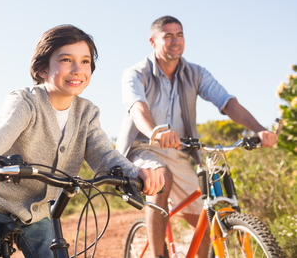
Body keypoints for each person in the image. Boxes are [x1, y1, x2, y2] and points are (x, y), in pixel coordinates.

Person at [0, 24, 165, 258]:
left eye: (85, 61)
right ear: (43, 69)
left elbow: (104, 154)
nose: (78, 69)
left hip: (37, 213)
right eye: (66, 60)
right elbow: (4, 128)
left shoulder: (87, 113)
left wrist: (135, 173)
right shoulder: (25, 101)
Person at [115, 15, 278, 258]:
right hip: (142, 148)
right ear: (153, 41)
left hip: (179, 150)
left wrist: (258, 129)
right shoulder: (136, 73)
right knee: (161, 177)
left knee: (202, 215)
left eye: (179, 35)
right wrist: (155, 131)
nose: (175, 41)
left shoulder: (196, 73)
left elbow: (227, 102)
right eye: (167, 36)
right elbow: (138, 108)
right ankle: (159, 255)